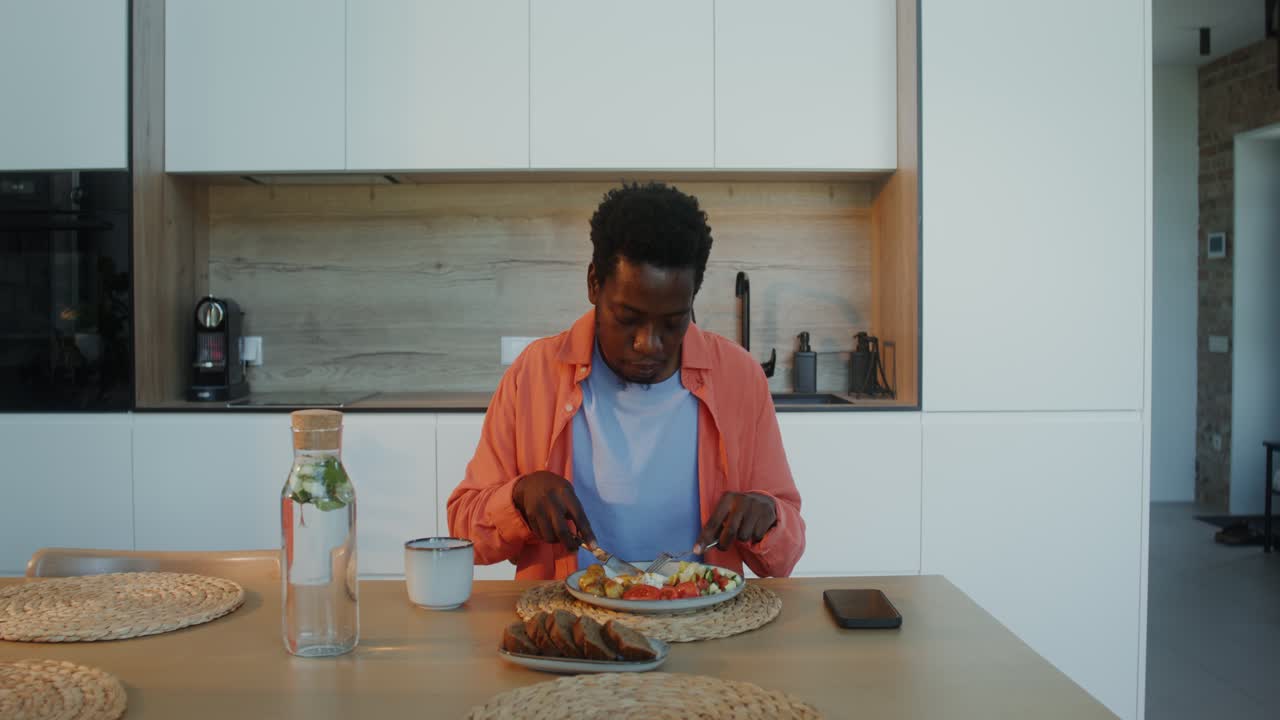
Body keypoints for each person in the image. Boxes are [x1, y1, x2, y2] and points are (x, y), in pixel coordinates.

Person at [447, 182, 804, 580]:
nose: (648, 344)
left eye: (672, 323)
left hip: (701, 617)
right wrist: (517, 498)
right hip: (570, 626)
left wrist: (768, 514)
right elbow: (463, 530)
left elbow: (785, 554)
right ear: (594, 284)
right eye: (628, 319)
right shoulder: (535, 374)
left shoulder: (739, 378)